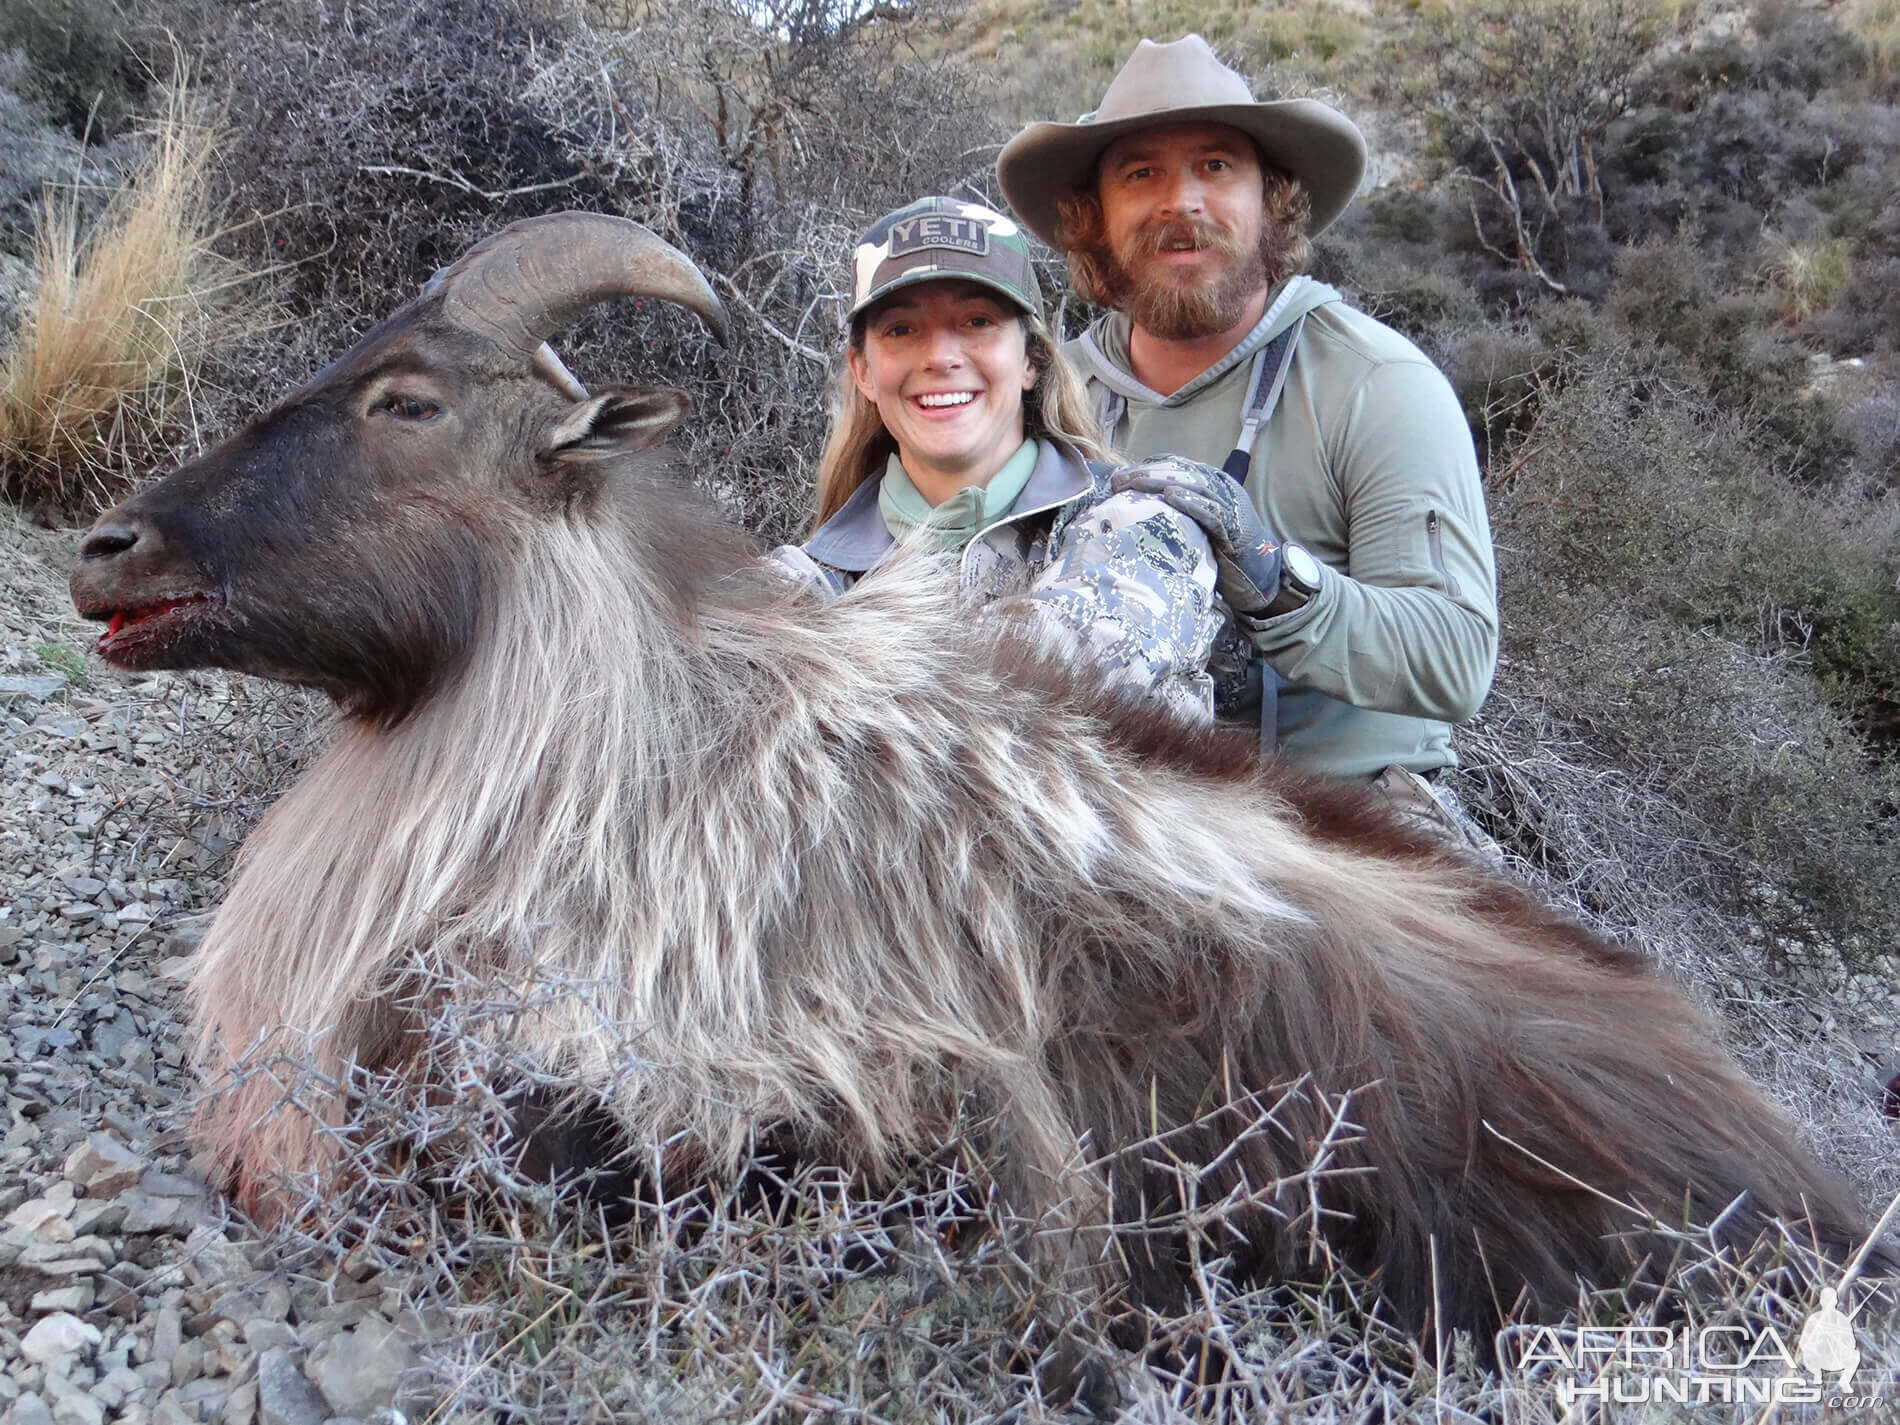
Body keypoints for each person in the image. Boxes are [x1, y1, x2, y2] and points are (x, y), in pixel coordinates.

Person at [997, 35, 1500, 843]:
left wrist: (1278, 582)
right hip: (1125, 824)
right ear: (1094, 219)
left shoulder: (1374, 384)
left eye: (1216, 166)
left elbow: (1456, 657)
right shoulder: (1061, 394)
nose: (1180, 202)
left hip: (1351, 834)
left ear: (1273, 199)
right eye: (1139, 174)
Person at [772, 195, 1227, 722]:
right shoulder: (800, 584)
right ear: (864, 371)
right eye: (901, 329)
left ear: (1031, 359)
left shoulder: (1144, 526)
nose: (940, 356)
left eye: (976, 321)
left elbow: (1030, 694)